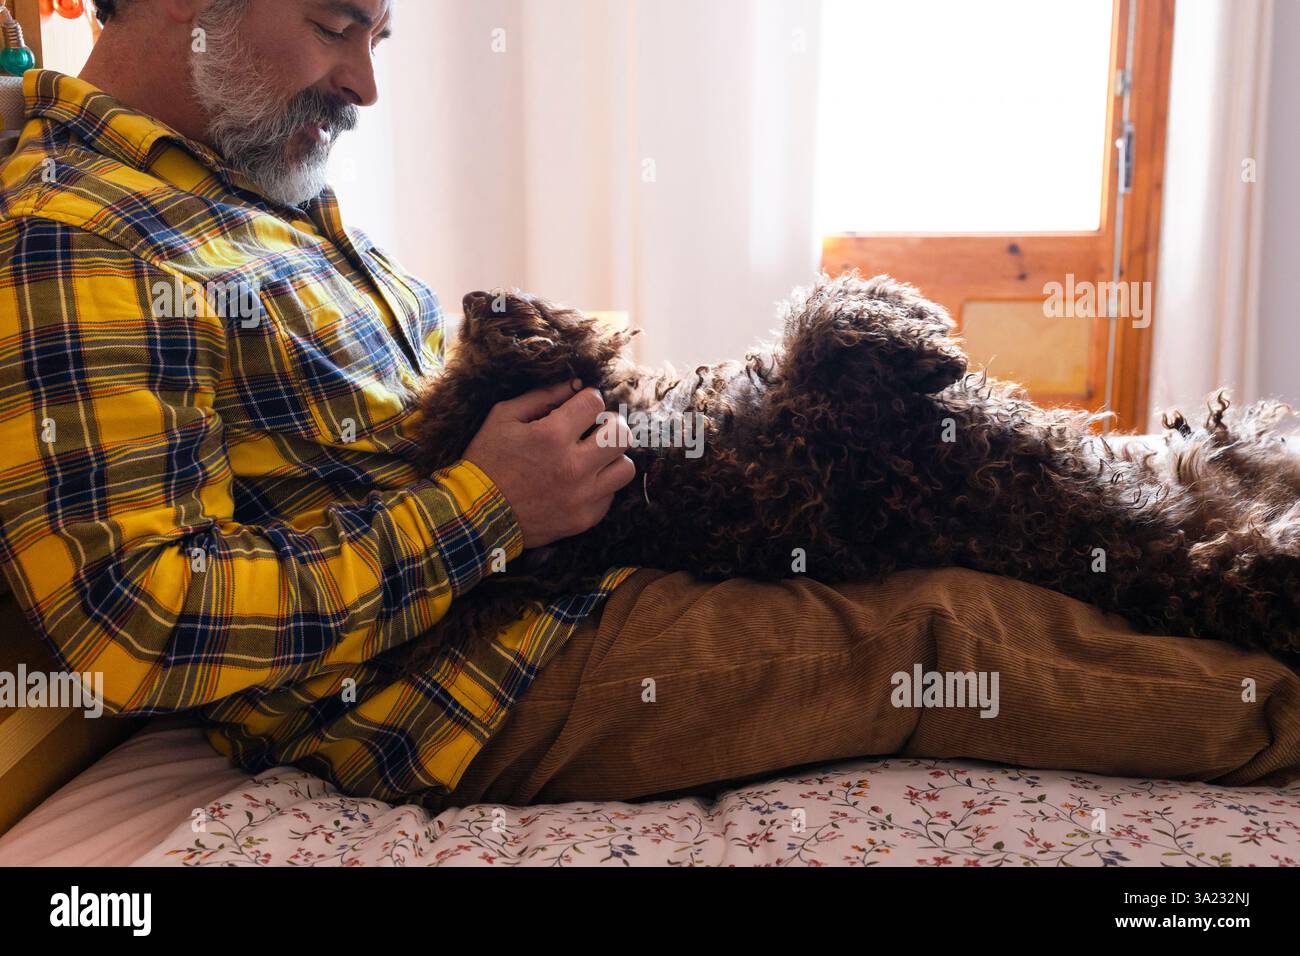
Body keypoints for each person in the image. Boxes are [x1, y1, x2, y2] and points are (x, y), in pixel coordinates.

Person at [2, 0, 1297, 812]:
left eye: (379, 41)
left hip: (540, 574)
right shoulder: (76, 237)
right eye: (339, 25)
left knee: (929, 491)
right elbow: (140, 620)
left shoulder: (251, 192)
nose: (366, 86)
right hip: (465, 684)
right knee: (934, 629)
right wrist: (485, 510)